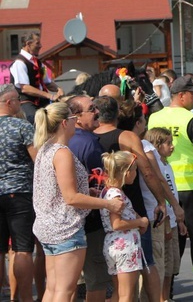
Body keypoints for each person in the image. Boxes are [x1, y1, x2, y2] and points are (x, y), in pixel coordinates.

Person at [32, 102, 123, 302]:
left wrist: (86, 191)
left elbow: (57, 189)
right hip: (65, 228)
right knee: (64, 290)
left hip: (49, 227)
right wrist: (108, 204)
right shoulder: (61, 153)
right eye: (73, 120)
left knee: (54, 288)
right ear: (65, 123)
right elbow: (71, 198)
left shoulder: (45, 149)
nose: (76, 123)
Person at [147, 76, 193, 301]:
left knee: (171, 241)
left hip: (164, 188)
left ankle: (166, 290)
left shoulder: (153, 118)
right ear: (181, 95)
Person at [93, 96, 166, 302]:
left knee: (117, 286)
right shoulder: (127, 137)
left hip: (98, 206)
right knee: (147, 262)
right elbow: (148, 171)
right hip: (129, 212)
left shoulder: (89, 136)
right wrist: (161, 202)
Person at [65, 95, 112, 302]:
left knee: (67, 283)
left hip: (66, 224)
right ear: (76, 116)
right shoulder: (90, 145)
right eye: (91, 109)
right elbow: (100, 185)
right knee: (97, 281)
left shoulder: (61, 143)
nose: (97, 112)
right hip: (91, 223)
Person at [0, 84, 37, 302]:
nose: (19, 103)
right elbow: (37, 159)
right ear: (8, 102)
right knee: (22, 249)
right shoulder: (21, 126)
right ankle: (25, 298)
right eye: (16, 100)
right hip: (19, 192)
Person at [145, 127, 188, 302]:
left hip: (173, 220)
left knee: (171, 266)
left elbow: (172, 191)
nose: (172, 146)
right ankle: (161, 298)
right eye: (168, 143)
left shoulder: (166, 164)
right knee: (162, 264)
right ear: (156, 145)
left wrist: (179, 221)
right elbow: (163, 190)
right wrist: (171, 215)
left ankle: (166, 296)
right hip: (165, 220)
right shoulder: (158, 167)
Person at [100, 151, 148, 302]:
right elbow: (117, 223)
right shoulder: (116, 195)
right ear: (127, 173)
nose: (135, 174)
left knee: (118, 293)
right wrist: (140, 222)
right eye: (134, 171)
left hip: (112, 244)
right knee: (127, 295)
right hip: (125, 245)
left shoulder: (107, 191)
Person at [9, 32, 64, 124]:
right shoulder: (19, 63)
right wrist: (50, 95)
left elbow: (47, 82)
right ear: (28, 44)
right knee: (36, 120)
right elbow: (25, 88)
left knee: (59, 117)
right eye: (37, 43)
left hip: (41, 102)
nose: (40, 46)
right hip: (26, 102)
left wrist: (59, 89)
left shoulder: (38, 62)